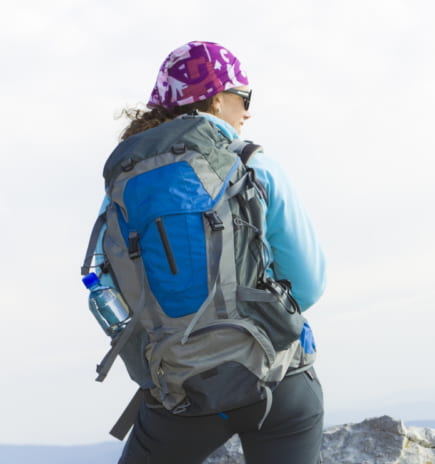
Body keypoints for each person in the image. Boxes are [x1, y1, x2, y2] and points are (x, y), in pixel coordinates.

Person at [103, 41, 327, 464]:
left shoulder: (126, 180)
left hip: (181, 390)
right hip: (275, 382)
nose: (247, 112)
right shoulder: (252, 164)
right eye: (244, 98)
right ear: (218, 98)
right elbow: (309, 285)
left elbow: (110, 284)